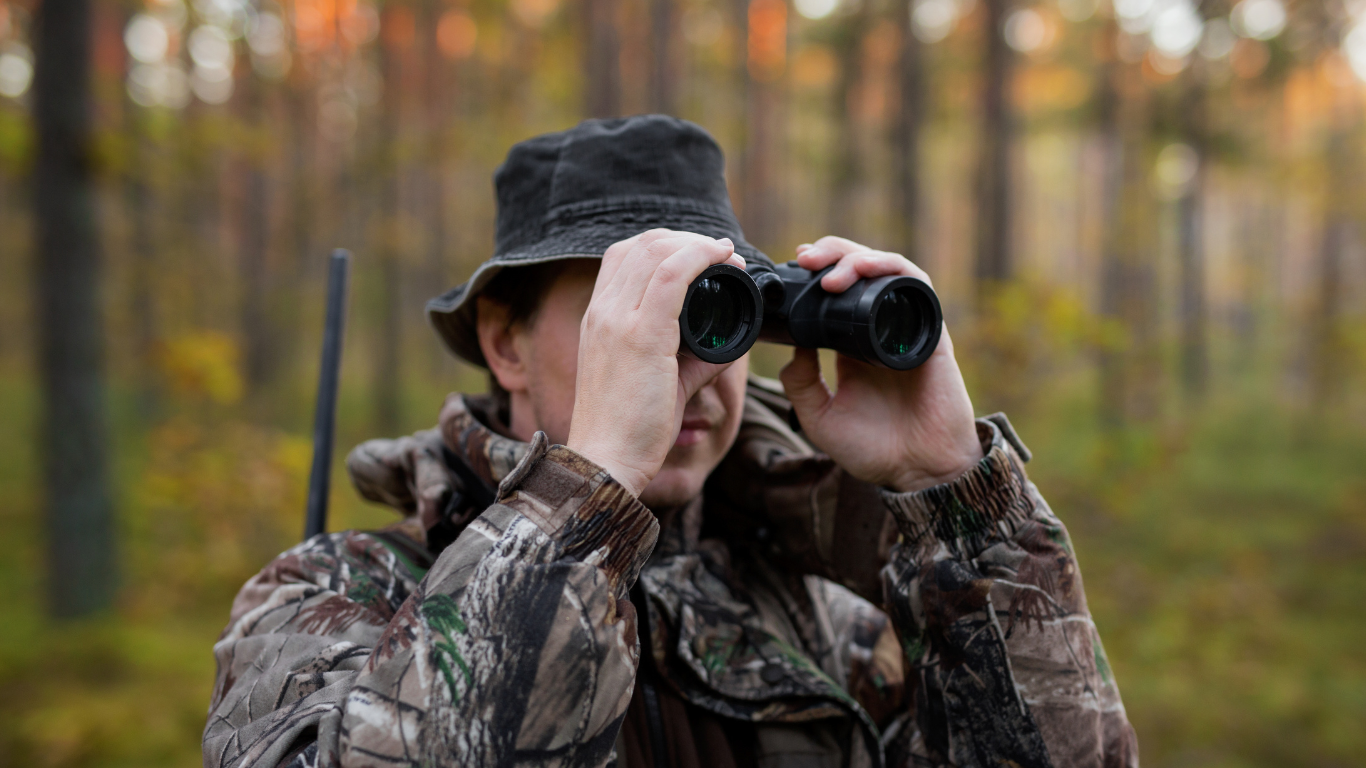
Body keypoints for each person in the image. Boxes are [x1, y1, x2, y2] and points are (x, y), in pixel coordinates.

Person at [203, 115, 1138, 768]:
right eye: (633, 313)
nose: (691, 365)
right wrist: (590, 486)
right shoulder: (330, 603)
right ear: (504, 342)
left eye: (717, 313)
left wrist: (956, 499)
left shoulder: (833, 625)